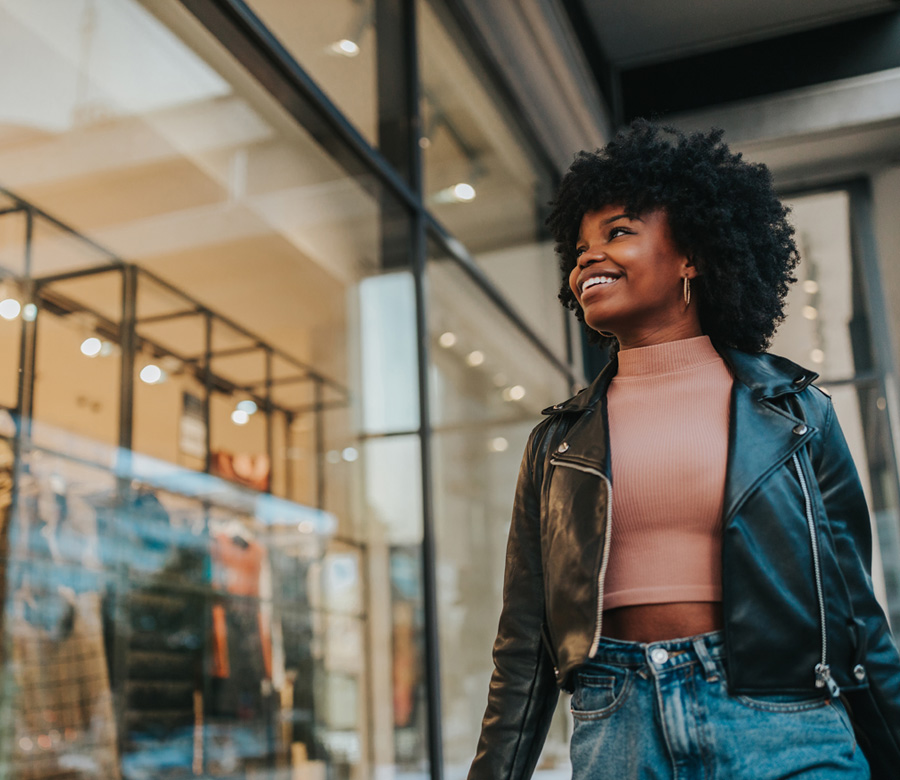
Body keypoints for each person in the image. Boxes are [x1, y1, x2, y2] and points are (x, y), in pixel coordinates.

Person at [467, 120, 900, 780]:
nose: (586, 257)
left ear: (691, 254)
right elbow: (524, 645)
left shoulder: (797, 414)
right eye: (578, 247)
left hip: (782, 721)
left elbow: (856, 615)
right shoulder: (555, 444)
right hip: (618, 725)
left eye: (617, 232)